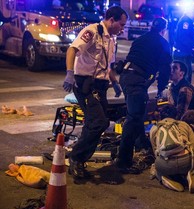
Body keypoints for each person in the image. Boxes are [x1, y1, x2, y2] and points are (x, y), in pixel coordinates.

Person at [62, 6, 128, 179]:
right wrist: (69, 73)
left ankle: (79, 160)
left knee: (98, 123)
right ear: (111, 20)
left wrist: (115, 82)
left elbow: (108, 66)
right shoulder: (92, 31)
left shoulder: (111, 39)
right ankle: (76, 157)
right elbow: (72, 50)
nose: (122, 28)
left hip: (100, 85)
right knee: (98, 122)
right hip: (84, 84)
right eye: (121, 24)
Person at [115, 17, 172, 174]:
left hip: (126, 78)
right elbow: (165, 69)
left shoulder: (140, 40)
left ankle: (143, 146)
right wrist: (162, 89)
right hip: (136, 82)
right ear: (163, 30)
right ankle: (123, 161)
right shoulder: (163, 44)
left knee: (138, 113)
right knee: (133, 119)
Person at [149, 104, 194, 193]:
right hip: (188, 162)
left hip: (166, 165)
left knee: (156, 167)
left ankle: (163, 178)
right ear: (176, 115)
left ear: (160, 116)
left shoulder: (154, 129)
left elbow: (156, 153)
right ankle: (190, 173)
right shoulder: (184, 125)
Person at [173, 10, 194, 83]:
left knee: (184, 76)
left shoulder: (188, 21)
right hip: (183, 53)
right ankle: (184, 93)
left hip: (184, 53)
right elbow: (183, 37)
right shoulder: (186, 21)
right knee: (185, 76)